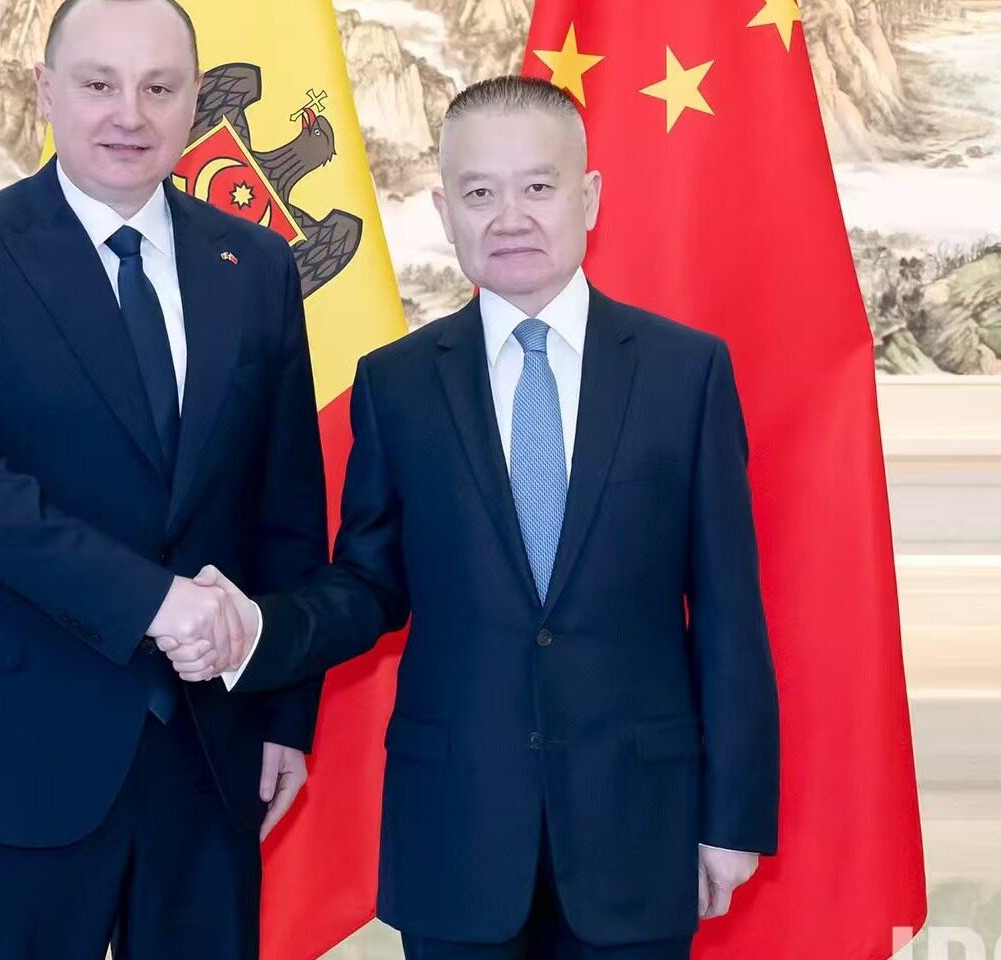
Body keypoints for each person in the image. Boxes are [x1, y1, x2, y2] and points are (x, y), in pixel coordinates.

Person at [164, 76, 781, 960]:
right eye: (480, 192)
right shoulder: (396, 383)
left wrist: (733, 819)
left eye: (539, 187)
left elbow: (728, 613)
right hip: (455, 833)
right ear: (444, 212)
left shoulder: (686, 374)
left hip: (639, 827)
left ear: (589, 197)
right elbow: (369, 584)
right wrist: (260, 627)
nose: (510, 217)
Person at [0, 0, 325, 955]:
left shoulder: (255, 264)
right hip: (12, 744)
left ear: (195, 99)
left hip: (211, 753)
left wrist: (286, 709)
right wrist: (153, 600)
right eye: (98, 84)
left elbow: (285, 506)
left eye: (159, 87)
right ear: (46, 91)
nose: (130, 113)